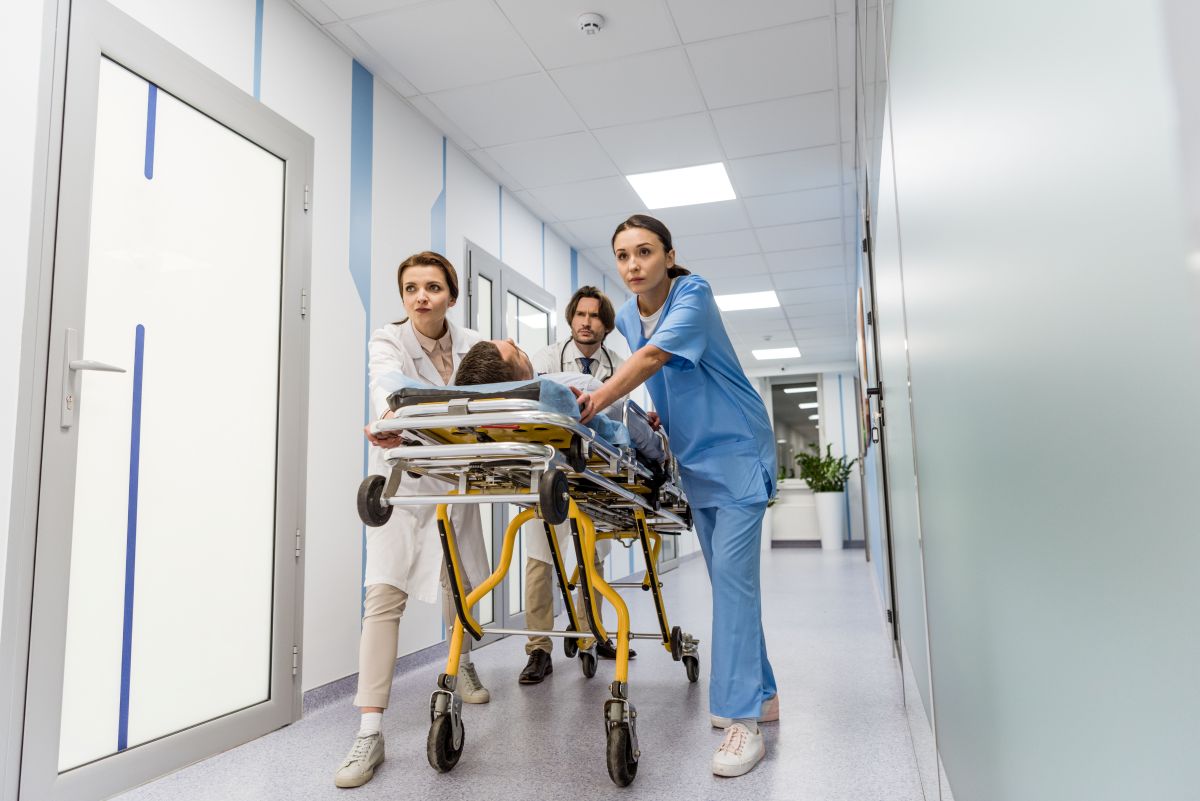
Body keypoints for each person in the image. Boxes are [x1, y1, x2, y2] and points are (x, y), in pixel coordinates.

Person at [573, 215, 779, 778]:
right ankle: (761, 694)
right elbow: (665, 380)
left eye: (644, 252)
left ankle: (743, 723)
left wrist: (593, 399)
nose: (632, 265)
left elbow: (654, 361)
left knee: (733, 590)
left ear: (668, 255)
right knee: (731, 586)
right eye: (622, 255)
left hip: (736, 455)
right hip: (698, 467)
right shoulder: (638, 319)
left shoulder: (693, 293)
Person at [334, 252, 491, 789]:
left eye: (432, 287)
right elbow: (388, 383)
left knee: (459, 587)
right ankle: (369, 730)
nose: (420, 296)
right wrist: (393, 417)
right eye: (410, 288)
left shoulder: (474, 344)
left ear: (451, 293)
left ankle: (462, 660)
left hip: (455, 478)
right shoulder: (388, 338)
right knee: (383, 596)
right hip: (404, 480)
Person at [523, 288, 632, 683]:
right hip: (547, 469)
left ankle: (592, 634)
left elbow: (621, 417)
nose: (586, 322)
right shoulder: (546, 359)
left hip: (594, 472)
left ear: (606, 324)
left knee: (593, 557)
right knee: (539, 560)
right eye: (580, 315)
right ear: (571, 319)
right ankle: (538, 649)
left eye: (594, 316)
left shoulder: (619, 364)